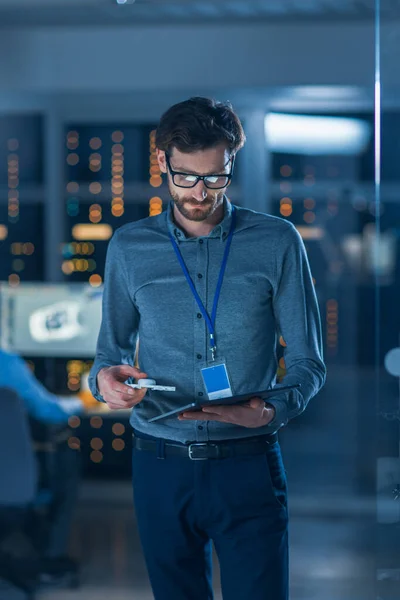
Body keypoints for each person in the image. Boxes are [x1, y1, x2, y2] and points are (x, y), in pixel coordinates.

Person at [89, 97, 326, 600]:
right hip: (159, 466)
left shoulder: (277, 241)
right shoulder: (129, 247)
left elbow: (308, 363)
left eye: (215, 178)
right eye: (187, 177)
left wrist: (268, 411)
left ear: (231, 163)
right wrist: (105, 383)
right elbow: (107, 356)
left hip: (248, 464)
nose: (201, 193)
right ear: (162, 163)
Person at [0, 348, 83, 588]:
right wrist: (84, 400)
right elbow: (51, 412)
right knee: (65, 461)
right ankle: (49, 558)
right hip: (10, 492)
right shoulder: (5, 363)